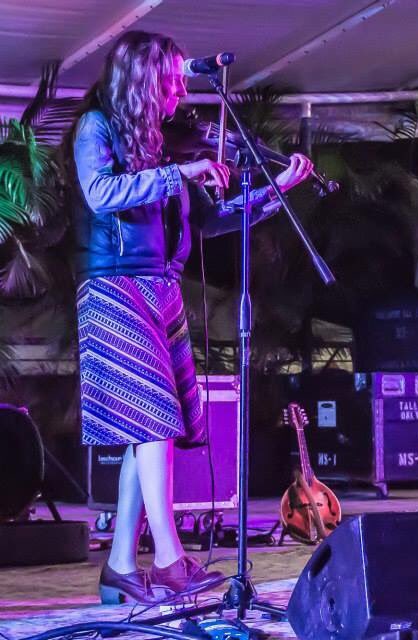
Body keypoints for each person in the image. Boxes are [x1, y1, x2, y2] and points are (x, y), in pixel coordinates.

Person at [66, 31, 314, 604]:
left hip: (160, 288)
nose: (182, 89)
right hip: (113, 284)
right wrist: (180, 173)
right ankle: (172, 559)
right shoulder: (96, 127)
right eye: (173, 79)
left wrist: (278, 188)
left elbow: (211, 220)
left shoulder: (156, 143)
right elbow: (101, 192)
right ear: (146, 79)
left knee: (143, 434)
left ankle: (122, 568)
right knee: (151, 420)